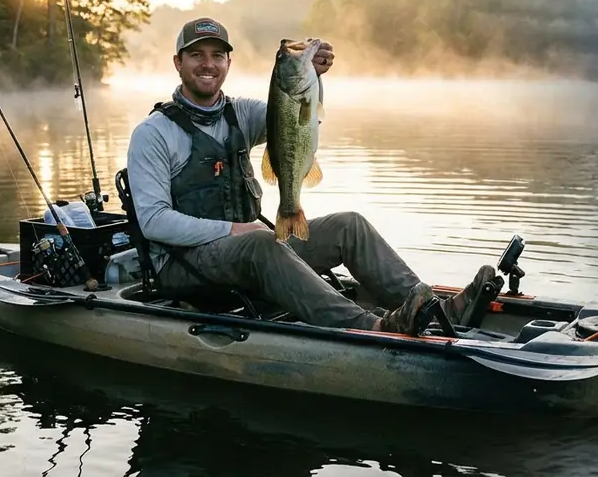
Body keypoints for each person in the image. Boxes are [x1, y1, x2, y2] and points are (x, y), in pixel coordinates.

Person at [126, 17, 495, 335]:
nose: (208, 64)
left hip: (250, 255)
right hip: (184, 268)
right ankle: (373, 327)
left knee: (349, 225)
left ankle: (438, 311)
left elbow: (300, 115)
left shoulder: (242, 113)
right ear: (178, 62)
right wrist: (235, 230)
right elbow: (154, 222)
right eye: (196, 55)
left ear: (228, 62)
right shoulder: (154, 133)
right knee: (262, 243)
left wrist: (312, 73)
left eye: (217, 55)